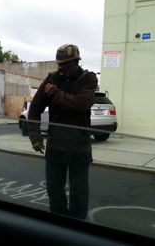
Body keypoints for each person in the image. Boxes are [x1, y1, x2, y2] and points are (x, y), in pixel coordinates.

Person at [28, 44, 98, 219]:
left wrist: (55, 93)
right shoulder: (52, 78)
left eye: (64, 65)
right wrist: (35, 136)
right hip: (56, 146)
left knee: (79, 194)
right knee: (54, 191)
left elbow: (80, 104)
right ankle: (58, 226)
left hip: (79, 148)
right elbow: (35, 107)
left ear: (76, 62)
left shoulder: (88, 79)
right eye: (58, 64)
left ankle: (77, 230)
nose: (60, 69)